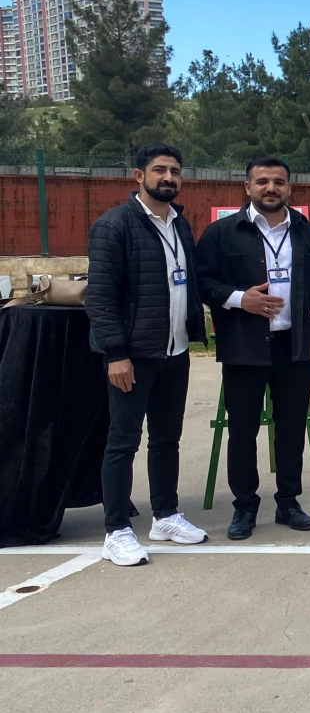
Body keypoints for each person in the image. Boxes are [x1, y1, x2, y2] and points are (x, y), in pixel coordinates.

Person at [196, 156, 310, 540]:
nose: (270, 188)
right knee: (242, 432)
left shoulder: (305, 232)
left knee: (290, 429)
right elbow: (201, 282)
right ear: (248, 187)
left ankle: (288, 502)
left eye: (278, 182)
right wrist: (241, 299)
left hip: (294, 346)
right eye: (262, 182)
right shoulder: (222, 233)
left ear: (290, 188)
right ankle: (244, 507)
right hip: (244, 348)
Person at [86, 143, 210, 566]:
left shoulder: (180, 224)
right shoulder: (114, 225)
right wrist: (115, 354)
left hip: (175, 351)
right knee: (122, 442)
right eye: (160, 170)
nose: (169, 178)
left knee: (166, 439)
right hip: (132, 356)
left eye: (175, 170)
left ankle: (166, 515)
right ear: (139, 176)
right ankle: (116, 530)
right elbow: (100, 298)